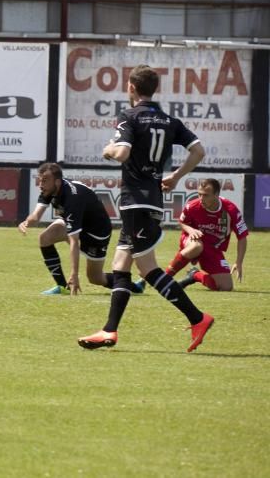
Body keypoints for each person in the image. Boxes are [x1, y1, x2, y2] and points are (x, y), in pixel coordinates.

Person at [79, 65, 213, 352]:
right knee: (120, 265)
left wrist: (108, 149)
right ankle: (109, 331)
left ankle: (198, 318)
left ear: (131, 87)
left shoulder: (130, 116)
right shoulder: (168, 120)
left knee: (148, 268)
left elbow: (122, 152)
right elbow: (199, 151)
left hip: (136, 202)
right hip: (150, 198)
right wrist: (175, 177)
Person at [19, 162, 145, 296]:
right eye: (39, 180)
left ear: (57, 182)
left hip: (96, 232)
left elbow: (74, 241)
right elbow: (36, 216)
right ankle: (62, 287)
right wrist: (27, 221)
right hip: (79, 224)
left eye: (44, 181)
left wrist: (74, 274)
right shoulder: (48, 190)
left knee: (95, 278)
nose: (40, 185)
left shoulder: (72, 198)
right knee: (45, 238)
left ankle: (134, 287)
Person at [162, 178, 248, 292]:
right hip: (192, 240)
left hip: (212, 248)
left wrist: (239, 262)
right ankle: (164, 279)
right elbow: (182, 222)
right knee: (197, 246)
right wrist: (191, 231)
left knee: (226, 287)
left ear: (216, 194)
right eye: (199, 194)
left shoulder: (231, 210)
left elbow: (242, 236)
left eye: (205, 195)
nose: (201, 198)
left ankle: (195, 275)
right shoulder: (192, 206)